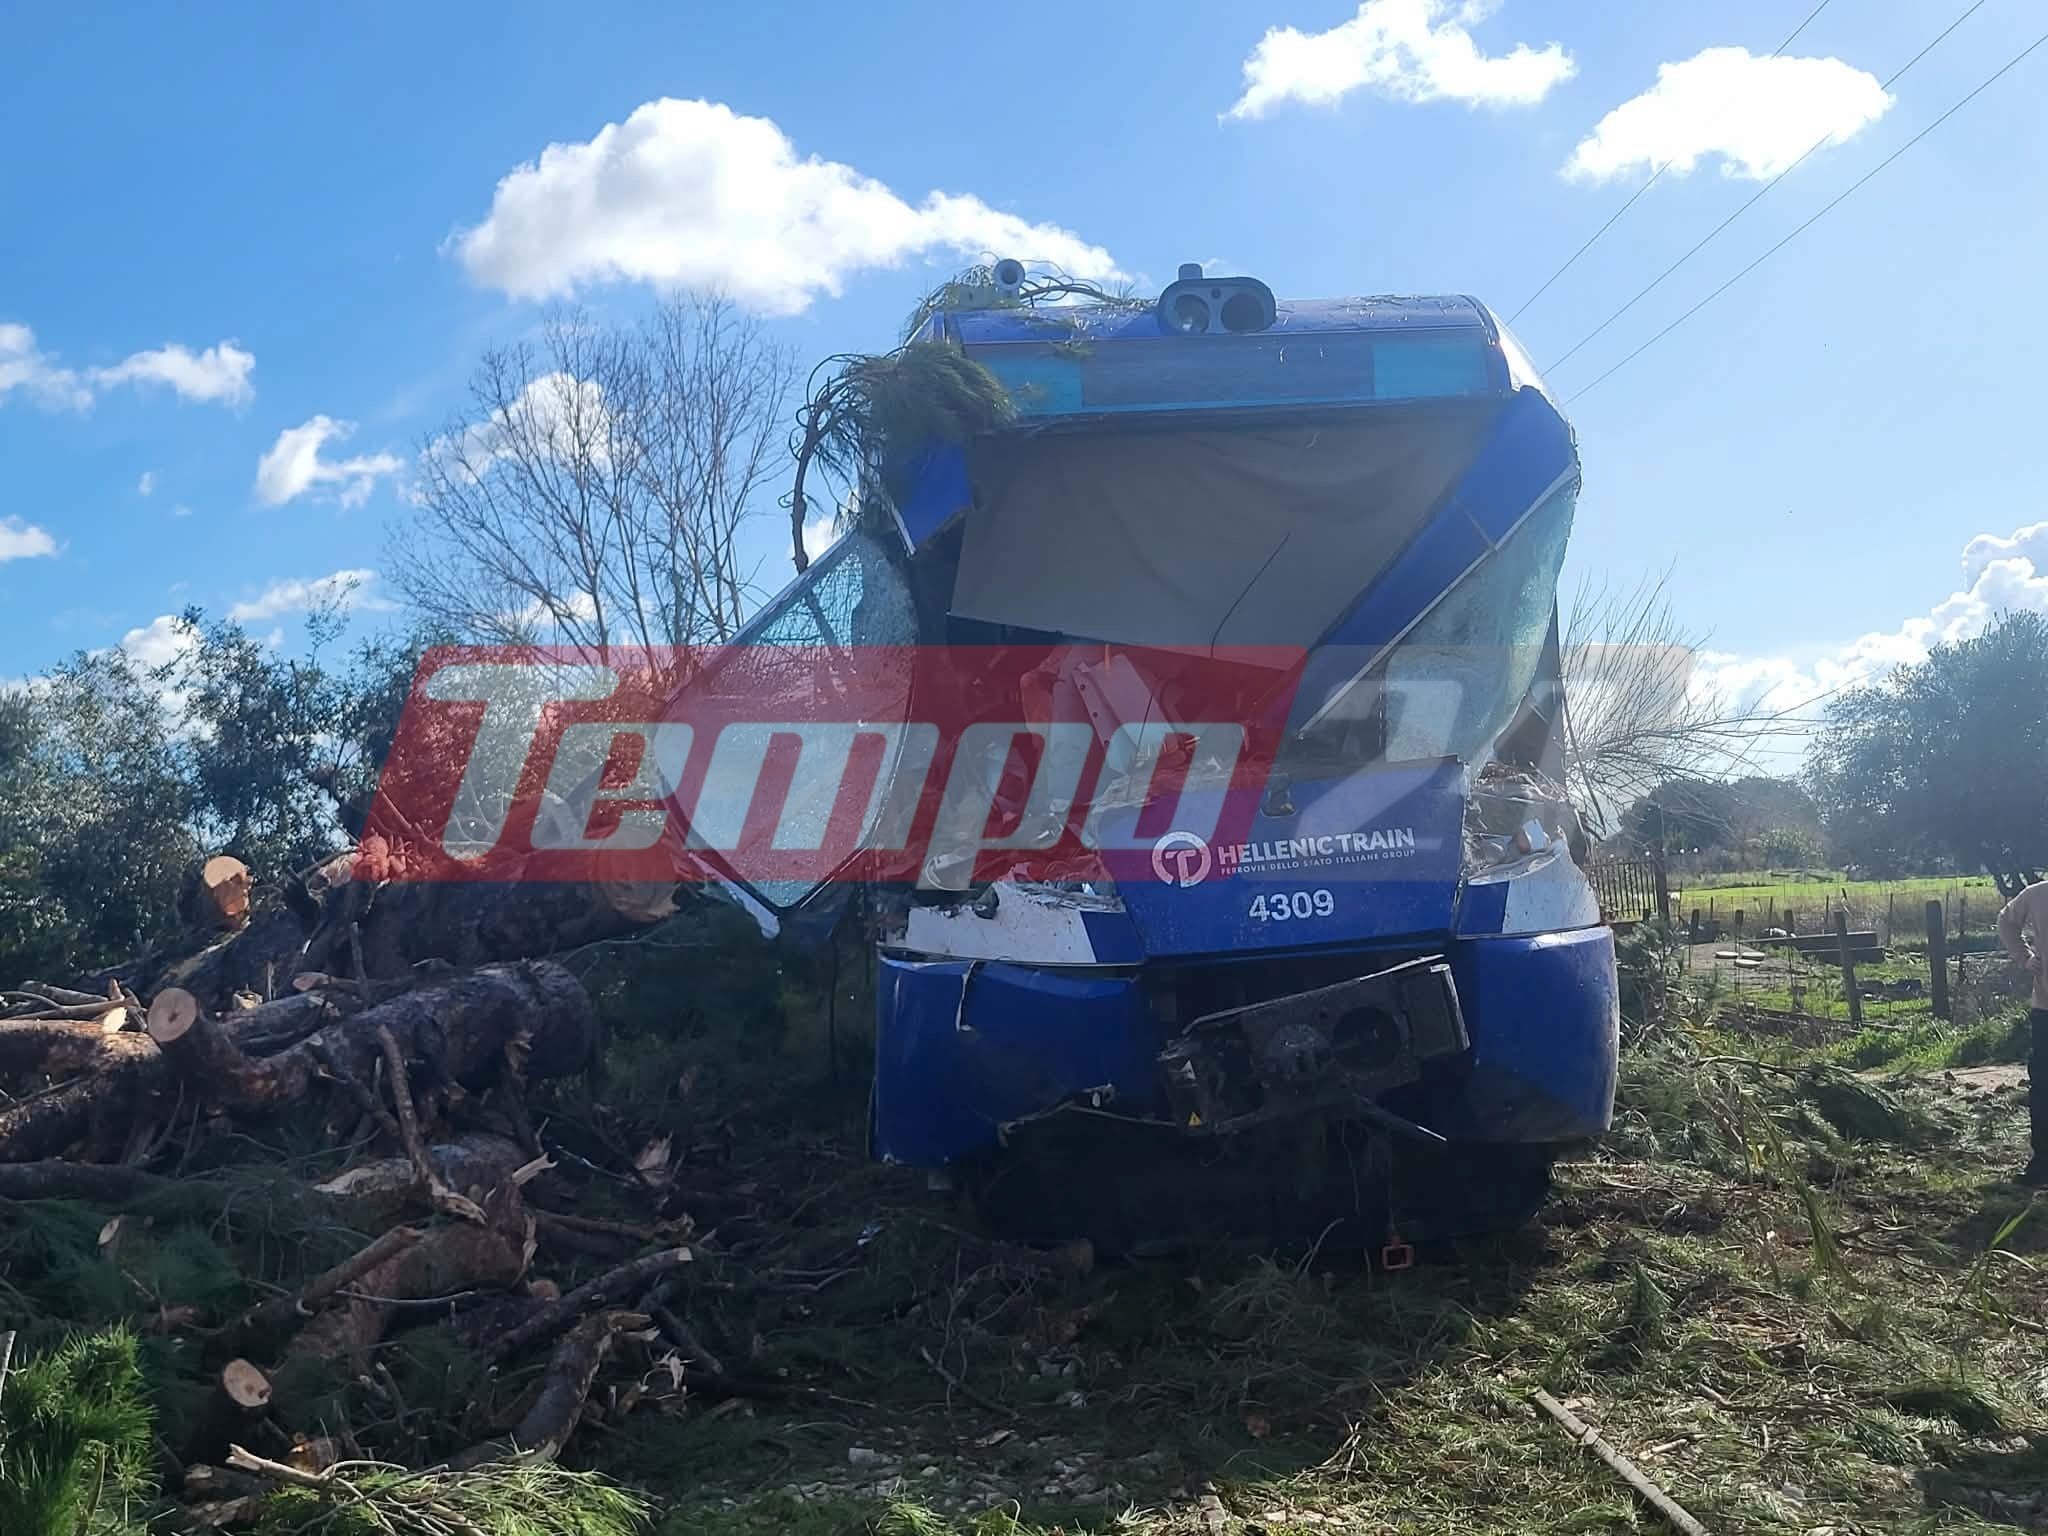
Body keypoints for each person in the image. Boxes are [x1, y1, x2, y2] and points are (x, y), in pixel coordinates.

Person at [1994, 880, 2048, 1185]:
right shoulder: (2039, 894)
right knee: (2043, 1087)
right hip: (2046, 1007)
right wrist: (2024, 957)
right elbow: (2005, 920)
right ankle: (2043, 1163)